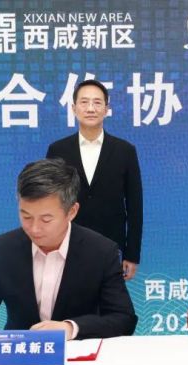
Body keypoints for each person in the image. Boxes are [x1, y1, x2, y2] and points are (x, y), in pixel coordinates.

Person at [0, 158, 137, 349]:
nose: (34, 228)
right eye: (26, 216)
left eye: (46, 219)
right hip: (19, 356)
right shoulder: (2, 249)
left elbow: (123, 318)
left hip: (78, 356)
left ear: (72, 211)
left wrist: (70, 328)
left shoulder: (101, 251)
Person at [46, 79, 143, 280]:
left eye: (97, 102)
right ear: (74, 108)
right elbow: (49, 202)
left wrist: (132, 254)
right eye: (84, 102)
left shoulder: (125, 151)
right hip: (67, 246)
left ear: (106, 109)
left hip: (111, 246)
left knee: (108, 298)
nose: (91, 108)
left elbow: (135, 206)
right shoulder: (58, 150)